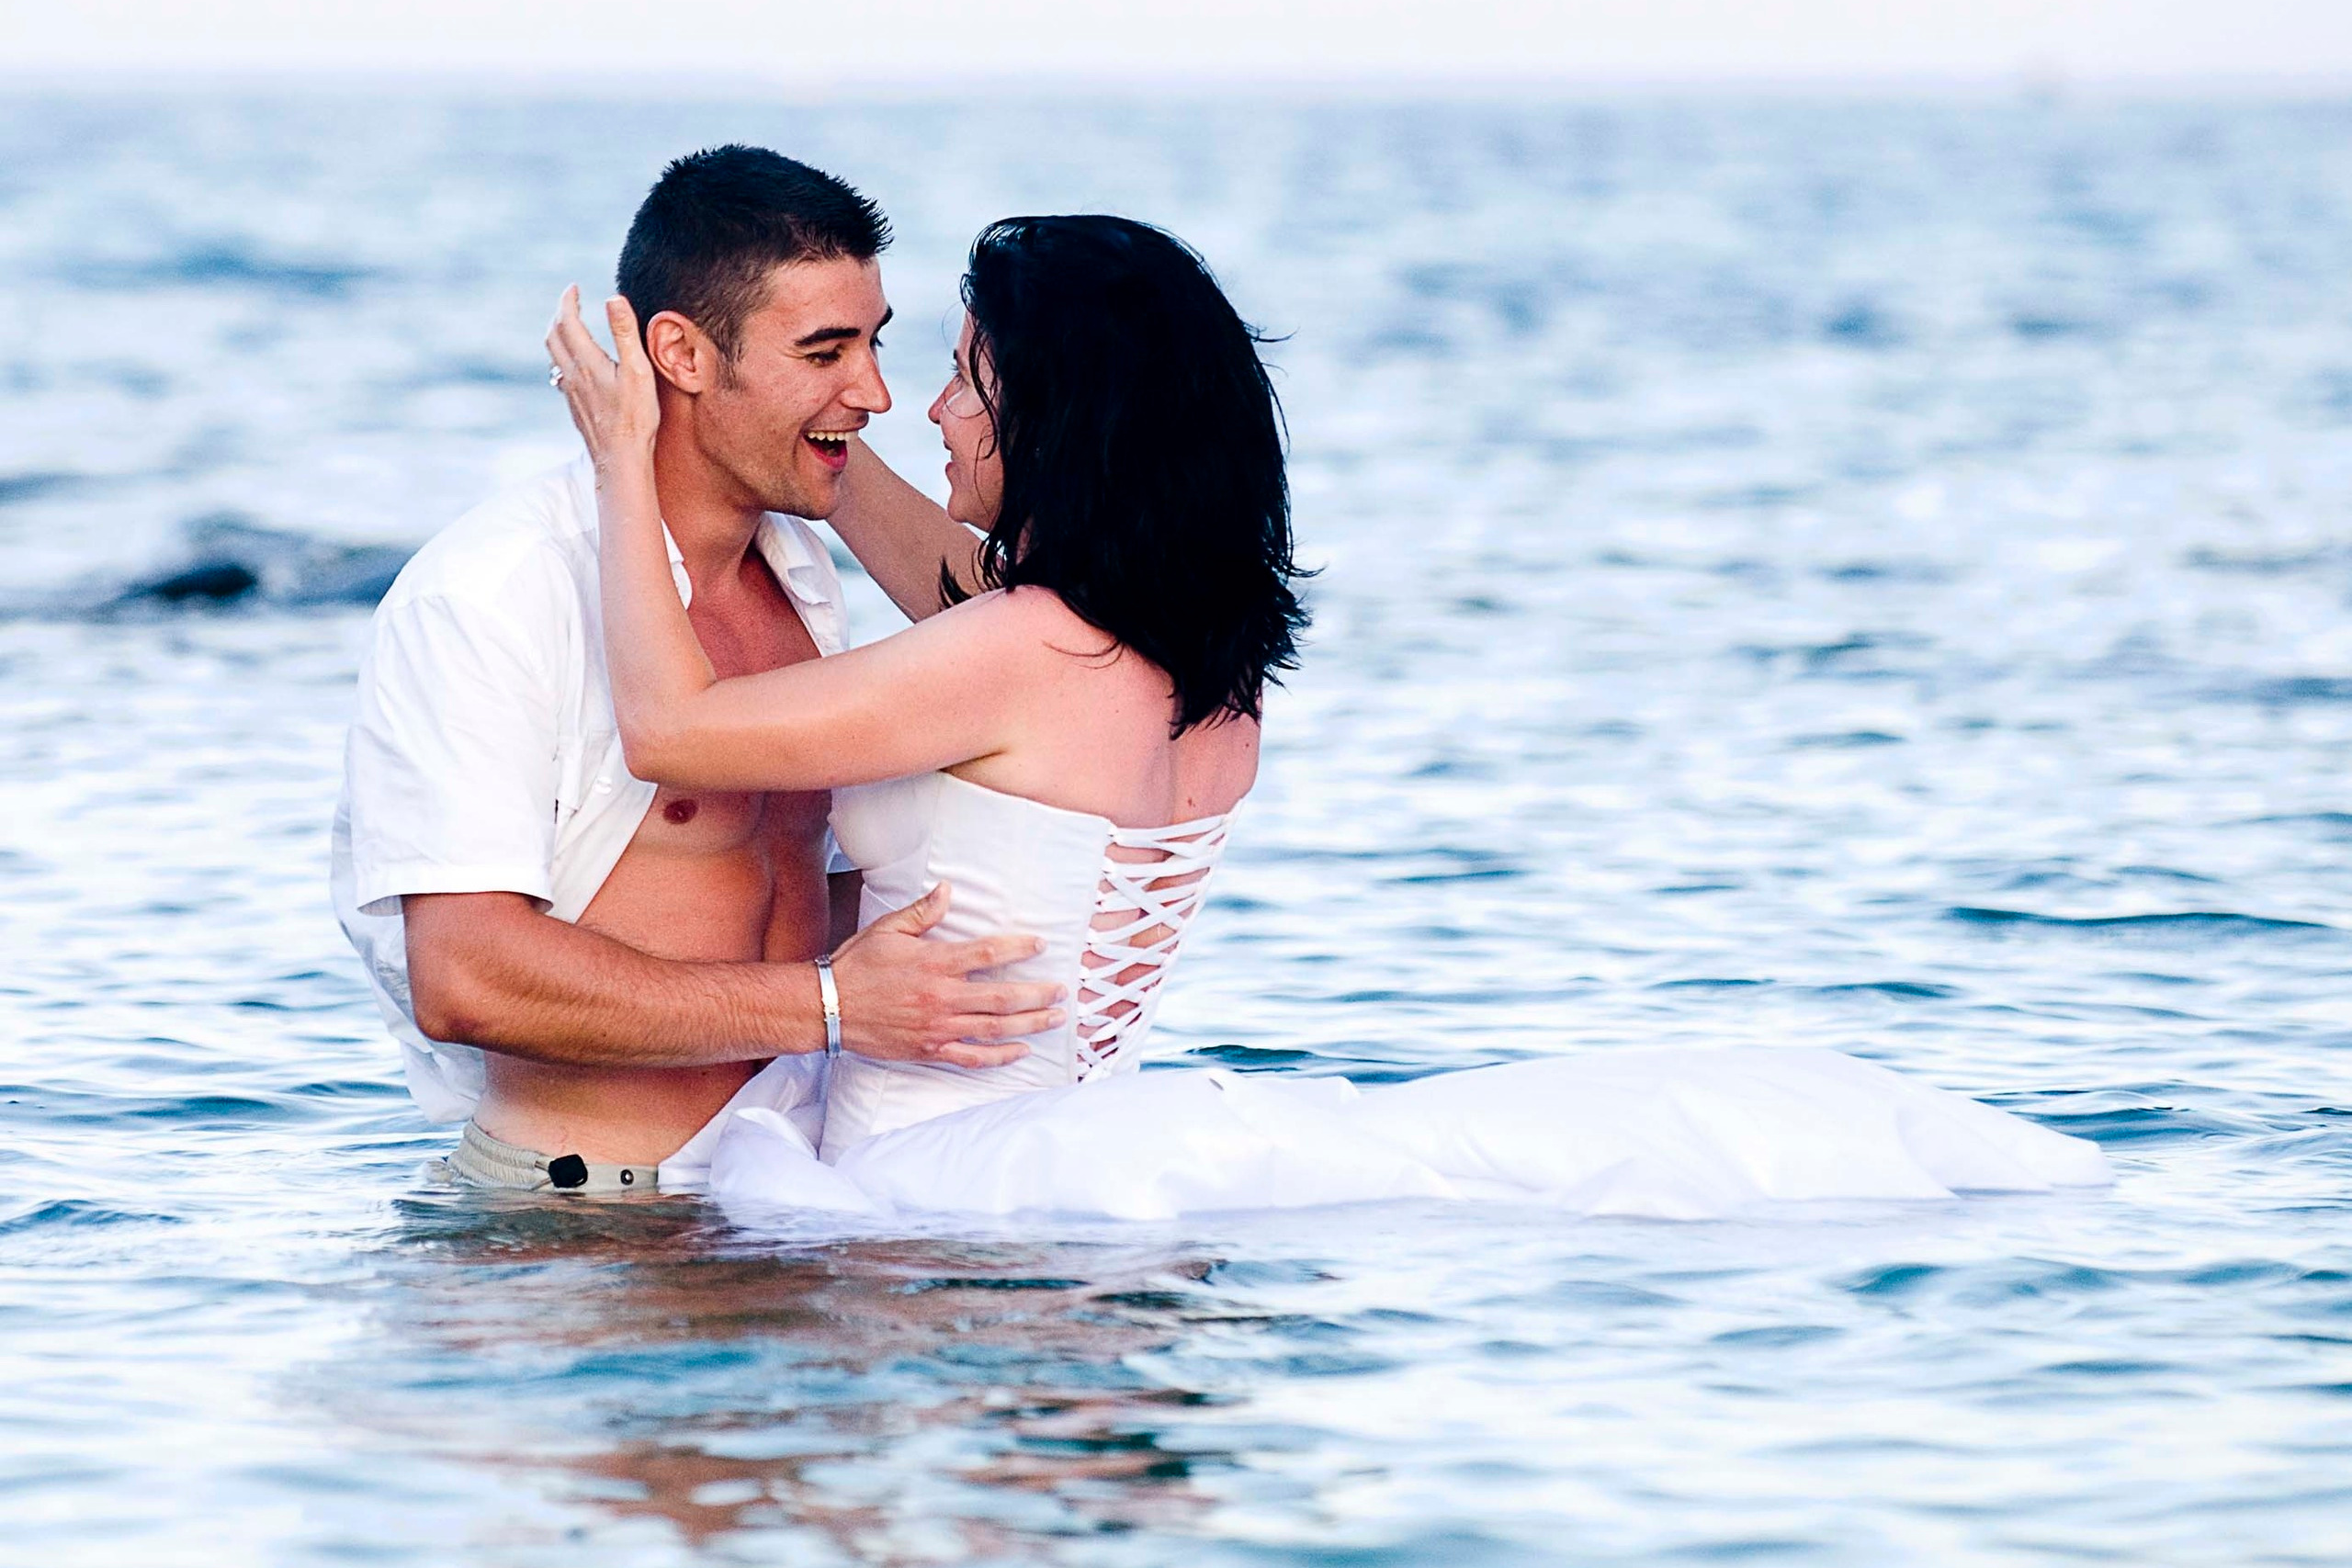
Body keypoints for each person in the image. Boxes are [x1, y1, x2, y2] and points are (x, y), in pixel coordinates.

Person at [547, 214, 2112, 1222]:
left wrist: (631, 456)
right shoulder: (1178, 654)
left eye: (963, 378)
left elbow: (674, 729)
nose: (919, 407)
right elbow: (929, 553)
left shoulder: (1017, 650)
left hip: (931, 1179)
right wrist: (784, 425)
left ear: (1057, 419)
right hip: (1070, 1143)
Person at [332, 147, 1067, 1198]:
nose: (876, 392)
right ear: (678, 353)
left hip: (785, 1202)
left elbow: (1040, 616)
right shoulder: (495, 593)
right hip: (580, 1234)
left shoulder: (796, 561)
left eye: (875, 344)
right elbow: (466, 977)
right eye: (825, 351)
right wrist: (828, 1007)